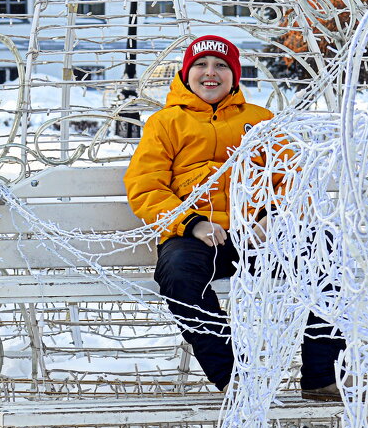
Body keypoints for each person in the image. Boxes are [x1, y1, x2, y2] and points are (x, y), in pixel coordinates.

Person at [124, 35, 345, 398]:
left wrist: (275, 215)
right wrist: (191, 223)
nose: (211, 73)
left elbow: (292, 178)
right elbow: (145, 185)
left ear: (234, 76)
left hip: (258, 234)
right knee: (177, 273)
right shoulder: (165, 123)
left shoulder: (261, 121)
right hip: (196, 234)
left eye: (221, 66)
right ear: (186, 73)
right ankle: (234, 378)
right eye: (201, 65)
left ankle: (321, 376)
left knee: (326, 251)